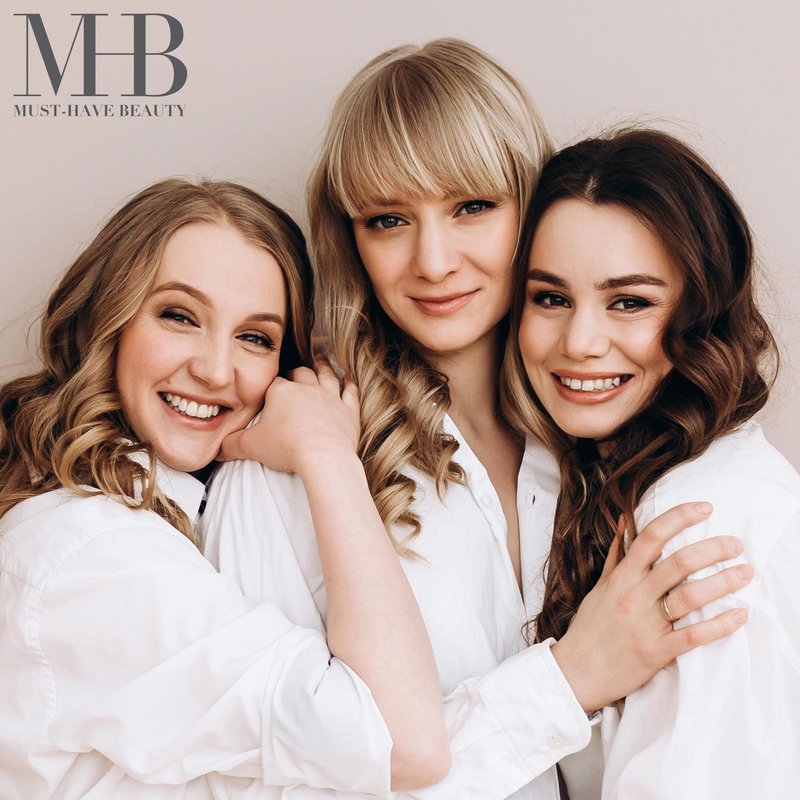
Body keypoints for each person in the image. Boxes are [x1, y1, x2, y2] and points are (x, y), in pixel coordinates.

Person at [203, 41, 752, 799]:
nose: (432, 261)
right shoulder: (287, 464)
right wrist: (568, 680)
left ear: (533, 210)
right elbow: (261, 784)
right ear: (350, 239)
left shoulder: (589, 449)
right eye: (388, 219)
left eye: (472, 207)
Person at [0, 178, 451, 798]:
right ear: (109, 320)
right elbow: (405, 745)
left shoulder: (175, 520)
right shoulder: (90, 552)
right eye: (179, 317)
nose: (215, 371)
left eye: (254, 338)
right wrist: (326, 453)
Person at [508, 127, 800, 799]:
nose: (580, 342)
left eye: (630, 302)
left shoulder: (695, 527)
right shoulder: (608, 487)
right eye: (551, 298)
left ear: (701, 315)